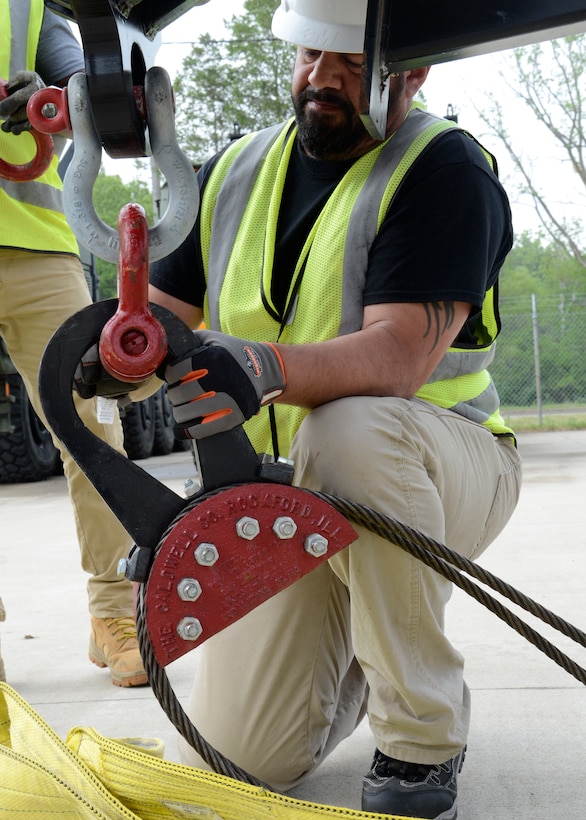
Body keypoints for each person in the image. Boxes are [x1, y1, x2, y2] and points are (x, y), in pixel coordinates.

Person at [137, 0, 522, 816]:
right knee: (235, 763)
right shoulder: (234, 170)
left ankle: (420, 740)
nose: (323, 80)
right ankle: (362, 638)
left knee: (346, 427)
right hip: (291, 497)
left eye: (352, 63)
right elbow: (160, 320)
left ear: (412, 71)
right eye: (314, 54)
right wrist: (116, 348)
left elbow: (395, 359)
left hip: (441, 466)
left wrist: (260, 365)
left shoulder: (445, 171)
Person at [0, 0, 146, 687]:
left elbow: (97, 87)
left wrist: (53, 98)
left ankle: (114, 616)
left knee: (92, 424)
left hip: (40, 249)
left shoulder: (25, 10)